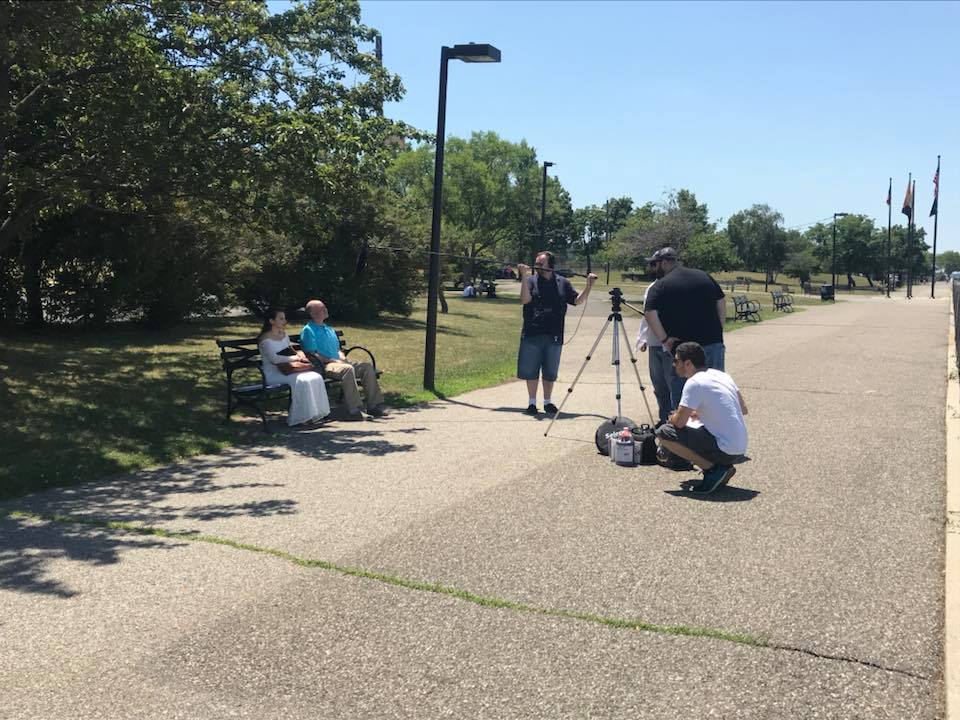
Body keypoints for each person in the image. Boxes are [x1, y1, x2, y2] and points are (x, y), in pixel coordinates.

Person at [655, 342, 748, 494]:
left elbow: (679, 423)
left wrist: (672, 417)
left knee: (664, 432)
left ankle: (712, 470)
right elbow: (743, 409)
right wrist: (704, 412)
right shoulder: (722, 375)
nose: (673, 364)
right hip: (740, 447)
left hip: (724, 448)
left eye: (676, 360)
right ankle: (722, 467)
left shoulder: (694, 382)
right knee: (693, 424)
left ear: (688, 363)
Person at [642, 247, 726, 410]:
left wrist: (665, 340)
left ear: (664, 263)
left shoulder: (660, 286)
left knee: (684, 399)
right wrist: (719, 329)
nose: (653, 268)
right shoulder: (705, 277)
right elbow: (721, 301)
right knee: (715, 393)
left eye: (654, 264)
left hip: (683, 350)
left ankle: (685, 426)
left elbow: (649, 314)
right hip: (713, 344)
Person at [517, 251, 597, 416]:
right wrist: (523, 277)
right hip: (532, 332)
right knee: (531, 370)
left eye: (541, 263)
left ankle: (547, 402)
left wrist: (589, 286)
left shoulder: (563, 282)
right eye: (536, 263)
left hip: (554, 333)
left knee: (550, 370)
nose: (537, 265)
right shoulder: (531, 281)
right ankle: (532, 402)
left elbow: (576, 300)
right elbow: (525, 300)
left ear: (550, 265)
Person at [300, 299, 387, 419]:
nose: (325, 310)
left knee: (366, 367)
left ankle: (373, 406)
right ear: (313, 314)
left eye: (325, 307)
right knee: (347, 369)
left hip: (339, 363)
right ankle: (355, 410)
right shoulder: (308, 330)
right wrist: (333, 360)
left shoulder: (328, 328)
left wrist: (342, 357)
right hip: (324, 365)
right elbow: (312, 354)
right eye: (321, 308)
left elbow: (338, 349)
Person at [257, 308, 331, 427]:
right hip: (273, 373)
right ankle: (301, 417)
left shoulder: (283, 335)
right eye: (281, 319)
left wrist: (300, 354)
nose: (284, 321)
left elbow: (289, 350)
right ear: (271, 321)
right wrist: (295, 358)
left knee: (315, 376)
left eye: (284, 318)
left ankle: (313, 414)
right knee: (302, 380)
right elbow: (274, 359)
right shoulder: (265, 339)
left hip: (288, 369)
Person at [635, 276, 671, 425]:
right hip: (654, 342)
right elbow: (647, 316)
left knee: (672, 384)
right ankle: (664, 418)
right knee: (659, 385)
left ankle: (675, 421)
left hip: (670, 344)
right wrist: (643, 339)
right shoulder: (652, 287)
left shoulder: (673, 286)